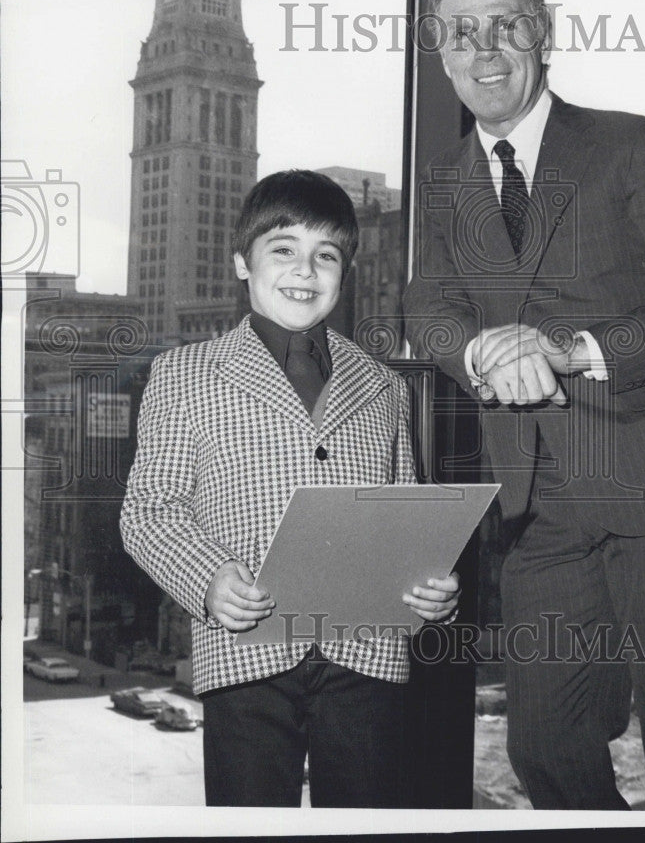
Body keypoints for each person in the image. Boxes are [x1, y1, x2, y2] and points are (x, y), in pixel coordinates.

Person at [402, 0, 645, 811]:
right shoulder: (447, 178)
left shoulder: (628, 146)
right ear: (441, 58)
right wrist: (483, 350)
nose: (484, 50)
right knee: (545, 747)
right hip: (545, 503)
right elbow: (428, 301)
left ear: (543, 34)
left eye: (504, 25)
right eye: (460, 33)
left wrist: (567, 349)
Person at [121, 170, 459, 808]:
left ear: (343, 272)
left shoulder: (385, 386)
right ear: (242, 264)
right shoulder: (184, 374)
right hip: (247, 651)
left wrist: (429, 587)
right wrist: (208, 578)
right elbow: (149, 511)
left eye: (325, 255)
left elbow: (404, 512)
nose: (305, 270)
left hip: (369, 656)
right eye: (283, 249)